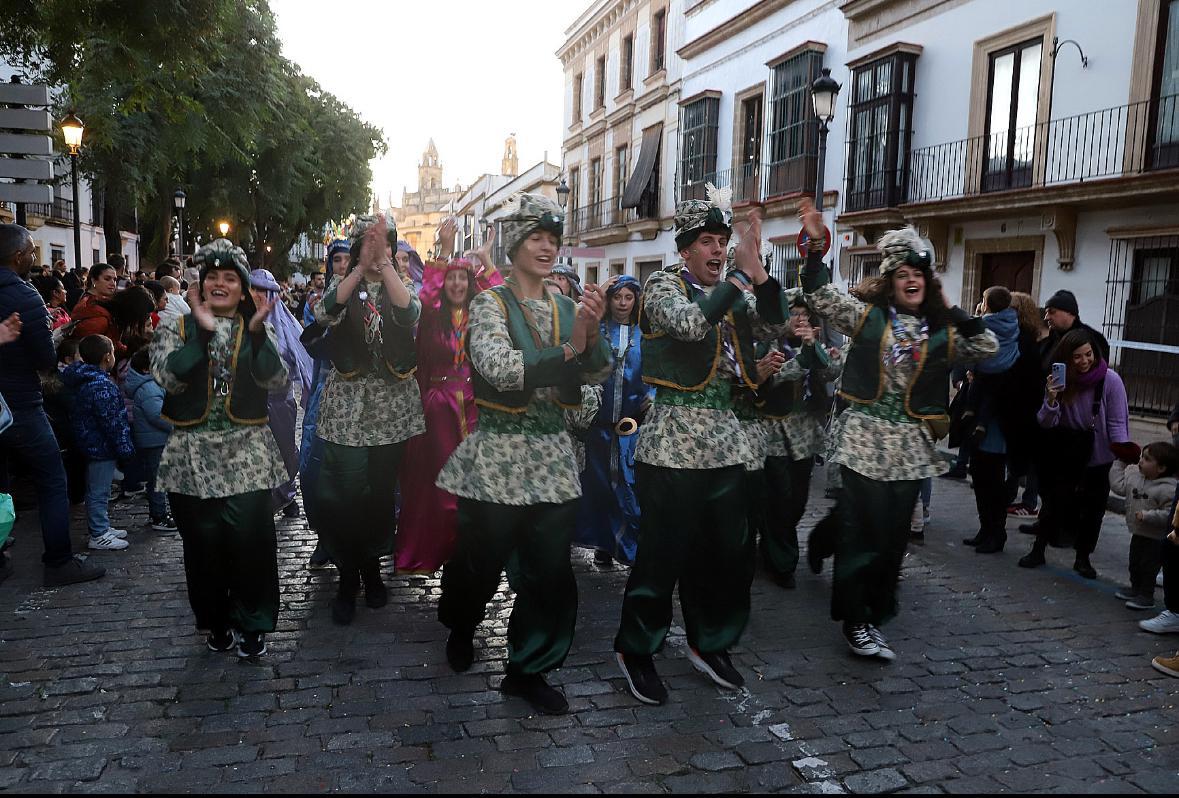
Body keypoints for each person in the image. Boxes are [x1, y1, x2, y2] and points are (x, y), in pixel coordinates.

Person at [797, 199, 998, 660]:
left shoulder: (942, 332)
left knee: (890, 537)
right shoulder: (869, 318)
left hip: (909, 445)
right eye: (903, 275)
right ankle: (857, 620)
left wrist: (951, 308)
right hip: (865, 437)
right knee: (862, 530)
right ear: (890, 283)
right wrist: (814, 246)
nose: (912, 281)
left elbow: (989, 346)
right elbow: (820, 294)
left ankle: (833, 550)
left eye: (919, 275)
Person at [613, 185, 789, 706]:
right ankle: (636, 648)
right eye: (709, 242)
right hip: (673, 443)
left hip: (727, 441)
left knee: (727, 554)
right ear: (686, 248)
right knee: (663, 554)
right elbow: (692, 325)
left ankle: (708, 642)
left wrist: (757, 270)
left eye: (724, 240)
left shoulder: (733, 292)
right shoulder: (664, 286)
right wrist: (737, 276)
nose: (718, 250)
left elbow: (777, 320)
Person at [436, 193, 610, 716]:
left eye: (553, 239)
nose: (546, 247)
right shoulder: (490, 302)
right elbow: (500, 368)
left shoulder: (566, 307)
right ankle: (462, 622)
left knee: (548, 571)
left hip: (553, 461)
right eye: (536, 237)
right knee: (481, 562)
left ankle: (528, 669)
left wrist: (590, 337)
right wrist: (571, 351)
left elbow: (590, 382)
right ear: (514, 245)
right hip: (498, 460)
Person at [150, 238, 288, 658]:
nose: (221, 284)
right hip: (191, 455)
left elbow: (276, 379)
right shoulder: (175, 326)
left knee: (251, 542)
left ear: (243, 287)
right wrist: (201, 334)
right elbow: (166, 377)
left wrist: (260, 335)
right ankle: (215, 619)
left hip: (247, 452)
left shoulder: (255, 326)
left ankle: (253, 622)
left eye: (231, 278)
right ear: (202, 283)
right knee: (203, 546)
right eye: (213, 277)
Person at [311, 212, 424, 626]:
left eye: (386, 244)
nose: (378, 250)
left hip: (391, 408)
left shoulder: (401, 282)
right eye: (370, 245)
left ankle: (373, 569)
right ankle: (347, 576)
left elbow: (410, 313)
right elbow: (324, 314)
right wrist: (359, 269)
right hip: (347, 410)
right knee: (345, 497)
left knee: (378, 495)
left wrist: (386, 265)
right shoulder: (344, 284)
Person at [0, 224, 104, 586]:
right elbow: (45, 357)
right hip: (20, 403)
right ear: (18, 256)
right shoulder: (24, 295)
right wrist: (50, 337)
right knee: (52, 478)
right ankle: (59, 560)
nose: (34, 256)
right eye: (31, 251)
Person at [397, 223, 503, 574]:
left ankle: (468, 547)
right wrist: (444, 248)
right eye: (452, 278)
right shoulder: (432, 316)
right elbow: (425, 295)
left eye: (464, 279)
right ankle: (438, 546)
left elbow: (506, 303)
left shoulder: (481, 315)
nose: (457, 284)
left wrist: (487, 264)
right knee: (441, 482)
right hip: (440, 405)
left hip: (475, 405)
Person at [1020, 329, 1131, 578]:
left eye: (1088, 354)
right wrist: (1051, 398)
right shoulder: (1060, 380)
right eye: (1077, 357)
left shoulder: (1110, 380)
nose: (1084, 361)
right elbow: (1046, 422)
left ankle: (1083, 557)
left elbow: (1117, 421)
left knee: (1092, 510)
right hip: (1066, 451)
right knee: (1052, 503)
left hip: (1098, 456)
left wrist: (1122, 450)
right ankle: (1038, 549)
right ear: (1066, 358)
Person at [756, 297, 843, 586]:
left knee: (798, 500)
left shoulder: (813, 346)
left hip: (805, 432)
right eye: (794, 315)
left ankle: (772, 542)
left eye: (805, 316)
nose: (800, 321)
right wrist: (804, 355)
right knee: (778, 498)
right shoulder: (769, 344)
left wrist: (816, 349)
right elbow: (775, 376)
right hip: (774, 432)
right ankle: (781, 562)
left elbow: (831, 371)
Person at [576, 274, 653, 567]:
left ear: (636, 302)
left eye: (628, 298)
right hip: (598, 427)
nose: (622, 303)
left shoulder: (643, 336)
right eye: (617, 297)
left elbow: (653, 373)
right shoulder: (598, 333)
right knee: (599, 488)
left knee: (629, 487)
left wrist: (651, 399)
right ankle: (603, 544)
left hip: (631, 426)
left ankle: (631, 547)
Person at [298, 235, 352, 570]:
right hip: (325, 390)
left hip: (361, 394)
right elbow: (311, 340)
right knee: (313, 466)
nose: (342, 266)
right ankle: (323, 536)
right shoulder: (318, 301)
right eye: (337, 260)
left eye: (348, 259)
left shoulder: (369, 296)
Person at [960, 286, 1022, 555]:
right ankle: (988, 531)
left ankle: (994, 533)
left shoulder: (984, 325)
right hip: (1000, 412)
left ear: (987, 304)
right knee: (989, 479)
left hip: (988, 413)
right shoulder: (1016, 326)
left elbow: (969, 353)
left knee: (988, 481)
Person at [248, 269, 313, 517]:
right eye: (252, 289)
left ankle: (285, 494)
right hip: (248, 402)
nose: (257, 296)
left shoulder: (287, 325)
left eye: (263, 291)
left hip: (279, 400)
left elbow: (303, 358)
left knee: (285, 450)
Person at [63, 334, 135, 551]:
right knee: (98, 491)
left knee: (98, 489)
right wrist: (125, 447)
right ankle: (99, 532)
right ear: (107, 357)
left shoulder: (84, 380)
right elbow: (112, 421)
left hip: (90, 441)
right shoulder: (101, 385)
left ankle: (102, 526)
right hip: (100, 445)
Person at [1110, 442, 1178, 610]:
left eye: (1147, 459)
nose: (1141, 461)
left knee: (1149, 567)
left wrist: (1148, 516)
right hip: (1138, 532)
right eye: (1141, 457)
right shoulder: (1136, 478)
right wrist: (1120, 462)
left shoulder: (1169, 489)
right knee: (1134, 562)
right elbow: (1118, 486)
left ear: (1161, 468)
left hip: (1155, 537)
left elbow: (1170, 515)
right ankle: (1135, 588)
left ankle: (1146, 595)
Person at [1004, 291, 1047, 519]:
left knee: (1030, 459)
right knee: (1016, 456)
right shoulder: (1016, 336)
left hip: (1031, 407)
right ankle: (1009, 495)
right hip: (1019, 406)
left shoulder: (1029, 339)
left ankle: (1028, 501)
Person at [124, 348, 176, 532]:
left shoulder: (152, 384)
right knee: (157, 481)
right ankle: (158, 516)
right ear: (147, 369)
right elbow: (157, 415)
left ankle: (161, 512)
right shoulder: (148, 388)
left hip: (157, 440)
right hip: (154, 442)